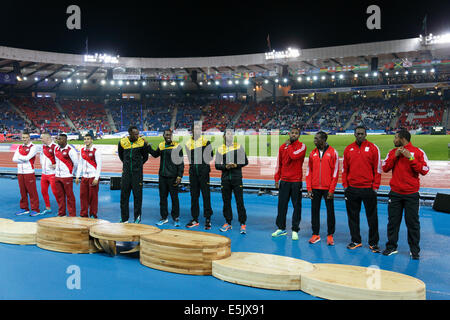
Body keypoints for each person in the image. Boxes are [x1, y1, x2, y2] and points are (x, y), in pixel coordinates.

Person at [381, 129, 429, 260]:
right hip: (395, 194)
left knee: (413, 223)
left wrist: (411, 158)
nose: (393, 140)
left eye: (395, 138)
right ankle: (391, 247)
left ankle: (414, 250)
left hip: (411, 195)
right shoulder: (392, 152)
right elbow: (384, 168)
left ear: (402, 139)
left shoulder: (418, 152)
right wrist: (395, 156)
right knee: (393, 222)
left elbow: (425, 170)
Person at [342, 126, 381, 252]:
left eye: (362, 134)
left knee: (372, 217)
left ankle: (373, 243)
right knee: (353, 217)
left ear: (366, 134)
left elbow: (377, 168)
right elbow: (344, 169)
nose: (360, 136)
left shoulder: (373, 148)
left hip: (368, 189)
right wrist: (345, 185)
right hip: (352, 189)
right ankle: (356, 240)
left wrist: (375, 186)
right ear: (354, 134)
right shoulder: (348, 148)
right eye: (357, 133)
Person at [272, 126, 307, 240]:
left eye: (296, 133)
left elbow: (294, 155)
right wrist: (277, 178)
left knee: (297, 206)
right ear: (289, 134)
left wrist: (288, 146)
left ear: (299, 135)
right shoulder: (282, 147)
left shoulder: (302, 146)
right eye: (292, 133)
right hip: (285, 181)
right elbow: (279, 163)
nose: (293, 135)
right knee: (282, 205)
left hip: (296, 181)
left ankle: (295, 229)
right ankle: (281, 228)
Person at [305, 131, 339, 245]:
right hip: (315, 188)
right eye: (314, 138)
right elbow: (309, 171)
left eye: (316, 139)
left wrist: (331, 189)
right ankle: (315, 234)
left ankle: (330, 235)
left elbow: (335, 172)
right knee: (314, 211)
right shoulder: (312, 153)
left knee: (330, 212)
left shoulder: (333, 152)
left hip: (327, 188)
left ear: (323, 140)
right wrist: (309, 188)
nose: (314, 140)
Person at [215, 128, 249, 234]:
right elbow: (217, 165)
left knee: (240, 202)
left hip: (236, 178)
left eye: (231, 134)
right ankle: (228, 222)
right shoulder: (220, 149)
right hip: (225, 180)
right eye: (227, 134)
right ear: (224, 136)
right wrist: (225, 166)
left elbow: (245, 161)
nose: (229, 136)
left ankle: (242, 224)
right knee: (226, 202)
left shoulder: (238, 147)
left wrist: (235, 165)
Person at [148, 129, 184, 227]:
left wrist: (179, 175)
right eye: (166, 135)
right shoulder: (161, 145)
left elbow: (180, 163)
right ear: (163, 136)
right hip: (162, 177)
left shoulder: (177, 146)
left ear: (172, 135)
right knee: (163, 198)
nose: (168, 136)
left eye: (170, 134)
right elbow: (155, 155)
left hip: (173, 177)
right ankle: (164, 217)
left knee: (174, 198)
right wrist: (148, 146)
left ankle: (176, 217)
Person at [184, 121, 214, 230]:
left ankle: (208, 219)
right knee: (194, 196)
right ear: (191, 131)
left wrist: (203, 166)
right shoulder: (188, 143)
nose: (196, 131)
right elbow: (189, 157)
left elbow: (210, 156)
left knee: (206, 196)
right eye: (194, 129)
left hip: (204, 173)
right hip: (193, 173)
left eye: (198, 129)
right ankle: (195, 219)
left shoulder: (206, 141)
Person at [118, 126, 149, 224]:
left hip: (137, 175)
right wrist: (127, 165)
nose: (137, 136)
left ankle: (137, 217)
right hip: (126, 174)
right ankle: (124, 218)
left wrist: (138, 166)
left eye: (137, 134)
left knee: (137, 197)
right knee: (124, 196)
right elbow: (121, 155)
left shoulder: (142, 143)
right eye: (135, 134)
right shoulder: (122, 142)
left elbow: (145, 157)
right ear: (129, 133)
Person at [12, 131, 40, 216]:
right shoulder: (19, 147)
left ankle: (35, 209)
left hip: (29, 172)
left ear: (29, 138)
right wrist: (23, 158)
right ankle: (24, 208)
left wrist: (19, 157)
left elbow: (27, 158)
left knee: (32, 192)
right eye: (23, 137)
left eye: (26, 137)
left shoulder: (33, 147)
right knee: (22, 192)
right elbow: (14, 159)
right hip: (20, 172)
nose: (24, 139)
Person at [75, 133, 102, 219]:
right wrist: (77, 176)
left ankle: (93, 214)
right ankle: (83, 213)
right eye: (85, 139)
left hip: (93, 177)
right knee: (83, 196)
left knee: (93, 197)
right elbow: (80, 164)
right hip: (84, 177)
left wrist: (96, 178)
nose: (86, 140)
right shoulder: (82, 150)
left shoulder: (96, 151)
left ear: (91, 140)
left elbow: (99, 165)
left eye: (88, 139)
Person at [54, 133, 78, 217]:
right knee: (60, 196)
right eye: (58, 139)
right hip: (57, 176)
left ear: (65, 140)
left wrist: (72, 173)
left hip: (67, 176)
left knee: (69, 196)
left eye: (60, 139)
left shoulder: (71, 150)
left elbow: (76, 163)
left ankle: (72, 214)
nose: (58, 140)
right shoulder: (56, 149)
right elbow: (57, 161)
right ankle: (61, 213)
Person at [39, 132, 57, 215]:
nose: (41, 139)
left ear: (47, 138)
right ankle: (48, 208)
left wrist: (57, 165)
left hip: (53, 174)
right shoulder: (43, 147)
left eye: (42, 138)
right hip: (44, 173)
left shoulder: (55, 147)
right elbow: (41, 157)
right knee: (43, 191)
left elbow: (61, 159)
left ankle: (61, 208)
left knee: (55, 192)